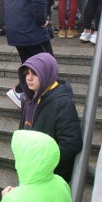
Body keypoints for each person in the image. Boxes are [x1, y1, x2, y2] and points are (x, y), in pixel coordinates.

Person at [16, 53, 83, 183]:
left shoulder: (63, 103)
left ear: (46, 74)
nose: (28, 78)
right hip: (31, 168)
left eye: (34, 74)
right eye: (26, 73)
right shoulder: (28, 97)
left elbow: (71, 143)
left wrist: (44, 163)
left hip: (50, 174)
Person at [4, 0, 54, 104]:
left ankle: (24, 93)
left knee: (30, 64)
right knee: (47, 64)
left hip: (16, 25)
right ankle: (23, 93)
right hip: (30, 26)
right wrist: (42, 19)